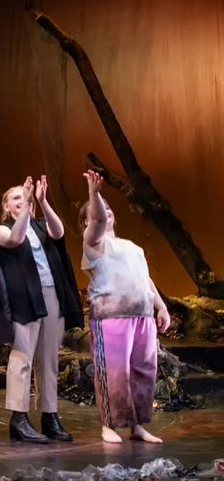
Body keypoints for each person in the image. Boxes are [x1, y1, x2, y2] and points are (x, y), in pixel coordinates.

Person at [0, 175, 84, 443]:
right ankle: (18, 419)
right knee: (22, 357)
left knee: (49, 359)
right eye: (17, 198)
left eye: (25, 196)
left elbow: (60, 232)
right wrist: (27, 206)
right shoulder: (1, 229)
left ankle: (49, 416)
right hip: (24, 299)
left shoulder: (42, 226)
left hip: (51, 294)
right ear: (7, 206)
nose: (23, 201)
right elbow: (16, 240)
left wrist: (42, 201)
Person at [80, 170, 171, 444]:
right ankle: (109, 424)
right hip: (112, 315)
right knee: (115, 372)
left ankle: (137, 426)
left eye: (109, 208)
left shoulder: (132, 247)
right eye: (99, 210)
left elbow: (147, 280)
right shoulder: (93, 244)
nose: (105, 212)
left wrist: (161, 307)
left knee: (144, 371)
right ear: (87, 221)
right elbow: (96, 220)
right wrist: (94, 194)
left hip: (141, 316)